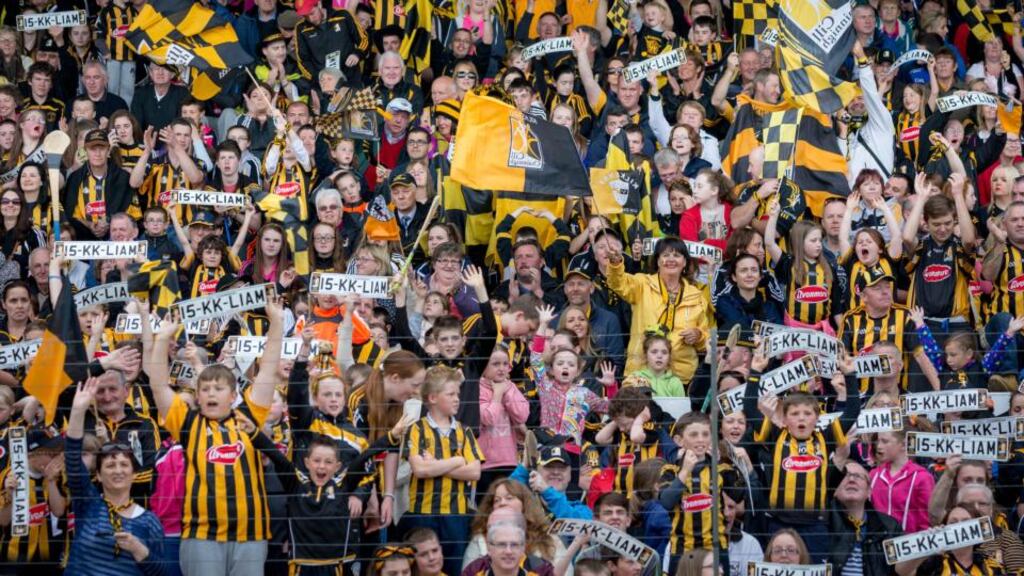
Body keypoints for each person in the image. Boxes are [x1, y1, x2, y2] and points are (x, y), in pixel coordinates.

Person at [63, 378, 168, 576]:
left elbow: (160, 571)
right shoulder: (88, 505)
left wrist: (139, 549)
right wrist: (77, 412)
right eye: (110, 465)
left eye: (124, 465)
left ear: (133, 473)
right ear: (99, 476)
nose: (117, 471)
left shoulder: (150, 521)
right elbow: (73, 462)